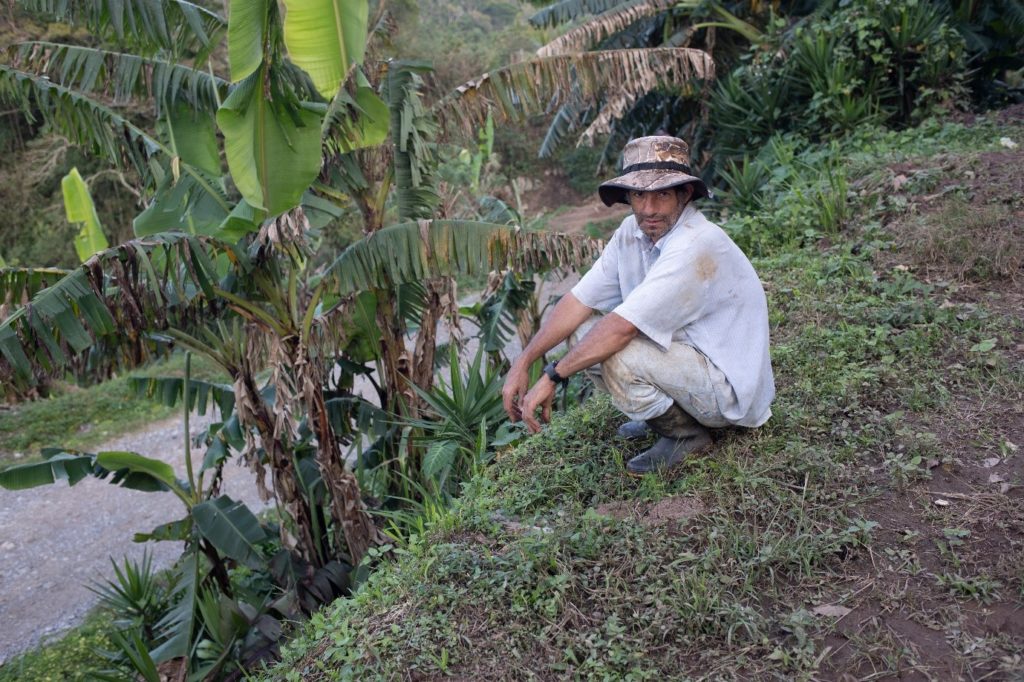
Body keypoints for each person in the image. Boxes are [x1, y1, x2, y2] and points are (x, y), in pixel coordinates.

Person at [501, 135, 775, 475]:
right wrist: (524, 361)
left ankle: (686, 435)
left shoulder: (695, 244)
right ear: (628, 196)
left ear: (684, 194)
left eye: (661, 194)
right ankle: (662, 414)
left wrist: (552, 376)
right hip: (687, 357)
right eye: (639, 194)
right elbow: (578, 300)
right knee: (583, 332)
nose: (648, 209)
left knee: (611, 347)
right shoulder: (630, 233)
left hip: (727, 389)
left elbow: (621, 329)